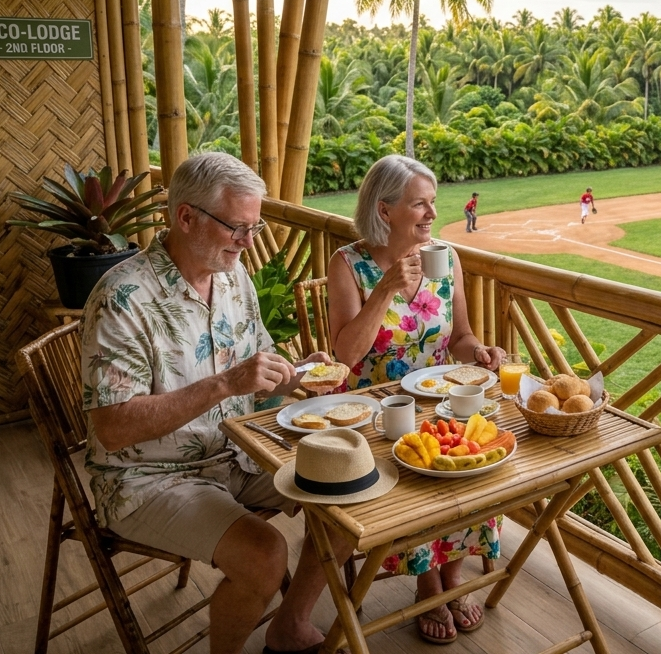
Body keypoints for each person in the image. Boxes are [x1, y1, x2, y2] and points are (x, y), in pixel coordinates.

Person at [81, 152, 347, 654]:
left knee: (347, 486)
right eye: (238, 228)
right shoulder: (123, 298)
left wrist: (294, 376)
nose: (250, 242)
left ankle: (289, 626)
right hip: (147, 478)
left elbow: (254, 372)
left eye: (255, 226)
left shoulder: (233, 278)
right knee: (265, 555)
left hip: (238, 452)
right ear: (186, 217)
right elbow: (113, 428)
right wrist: (225, 384)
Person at [326, 155, 507, 644]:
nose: (431, 214)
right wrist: (385, 289)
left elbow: (462, 337)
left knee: (475, 454)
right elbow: (345, 355)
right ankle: (429, 580)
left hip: (441, 400)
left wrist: (482, 353)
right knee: (416, 470)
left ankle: (453, 573)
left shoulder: (446, 258)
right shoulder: (349, 265)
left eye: (433, 203)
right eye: (419, 204)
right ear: (384, 211)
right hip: (377, 410)